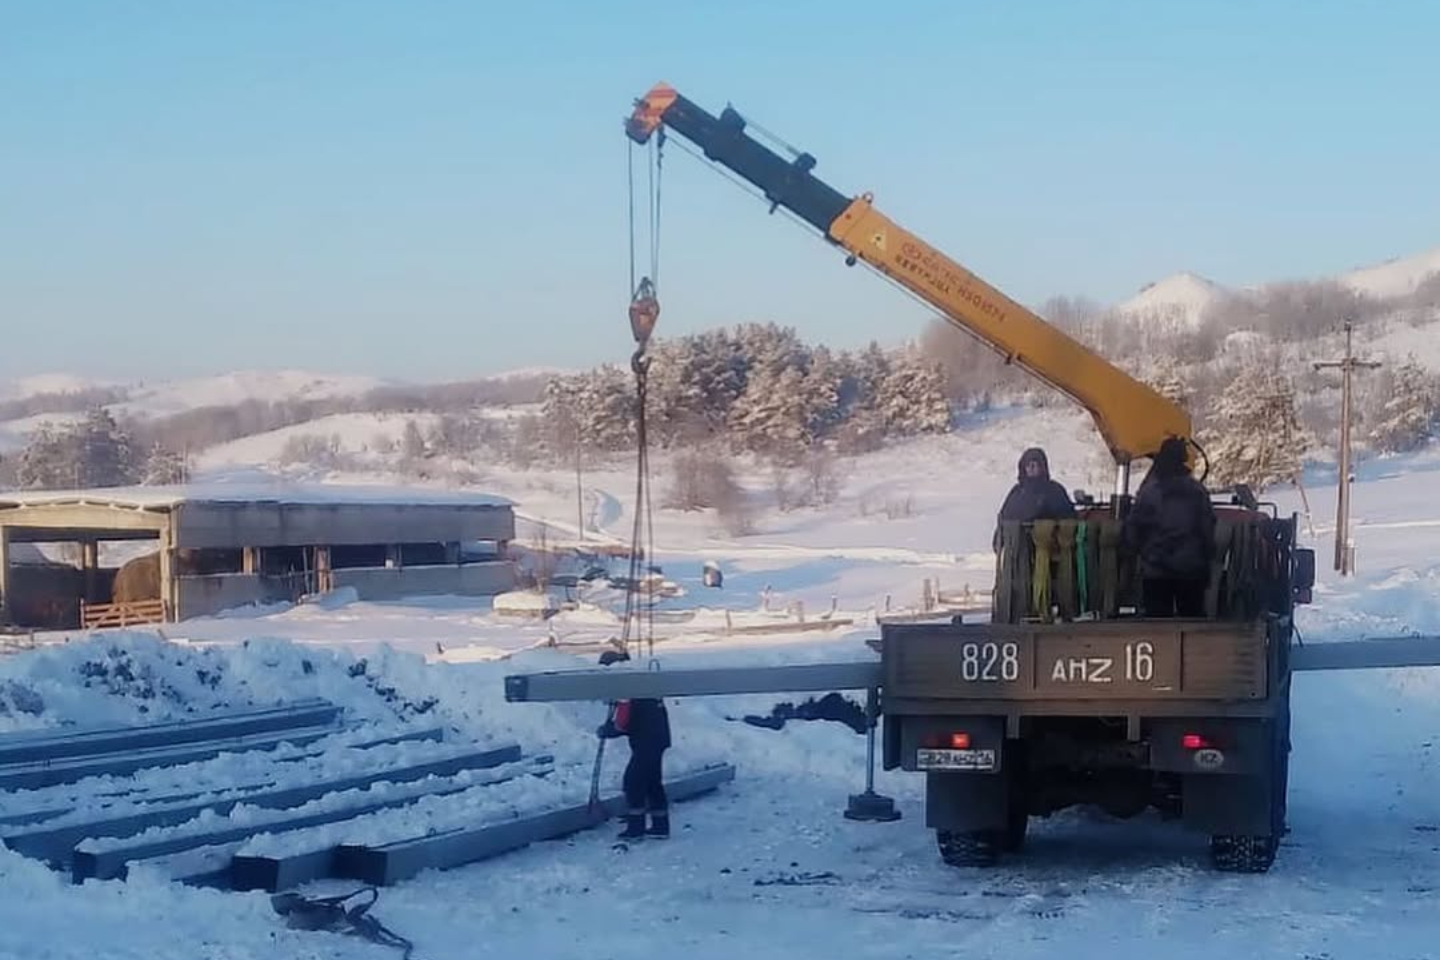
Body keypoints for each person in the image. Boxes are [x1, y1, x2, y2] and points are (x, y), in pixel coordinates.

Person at [1122, 437, 1216, 617]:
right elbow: (1208, 529)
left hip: (1157, 571)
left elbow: (1134, 529)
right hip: (1192, 571)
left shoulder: (1150, 493)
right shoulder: (1197, 492)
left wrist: (1136, 552)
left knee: (1157, 626)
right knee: (1191, 622)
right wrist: (1206, 560)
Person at [597, 648, 672, 840]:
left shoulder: (625, 684)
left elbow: (623, 719)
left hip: (646, 739)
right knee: (652, 782)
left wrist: (610, 730)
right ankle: (660, 826)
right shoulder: (642, 680)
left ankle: (636, 828)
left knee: (633, 782)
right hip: (658, 737)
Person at [995, 447, 1076, 537]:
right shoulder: (1017, 492)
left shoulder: (1054, 490)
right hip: (1018, 545)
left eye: (1035, 464)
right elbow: (1005, 516)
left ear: (1042, 467)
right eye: (1028, 465)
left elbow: (1067, 518)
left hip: (1049, 544)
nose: (1032, 468)